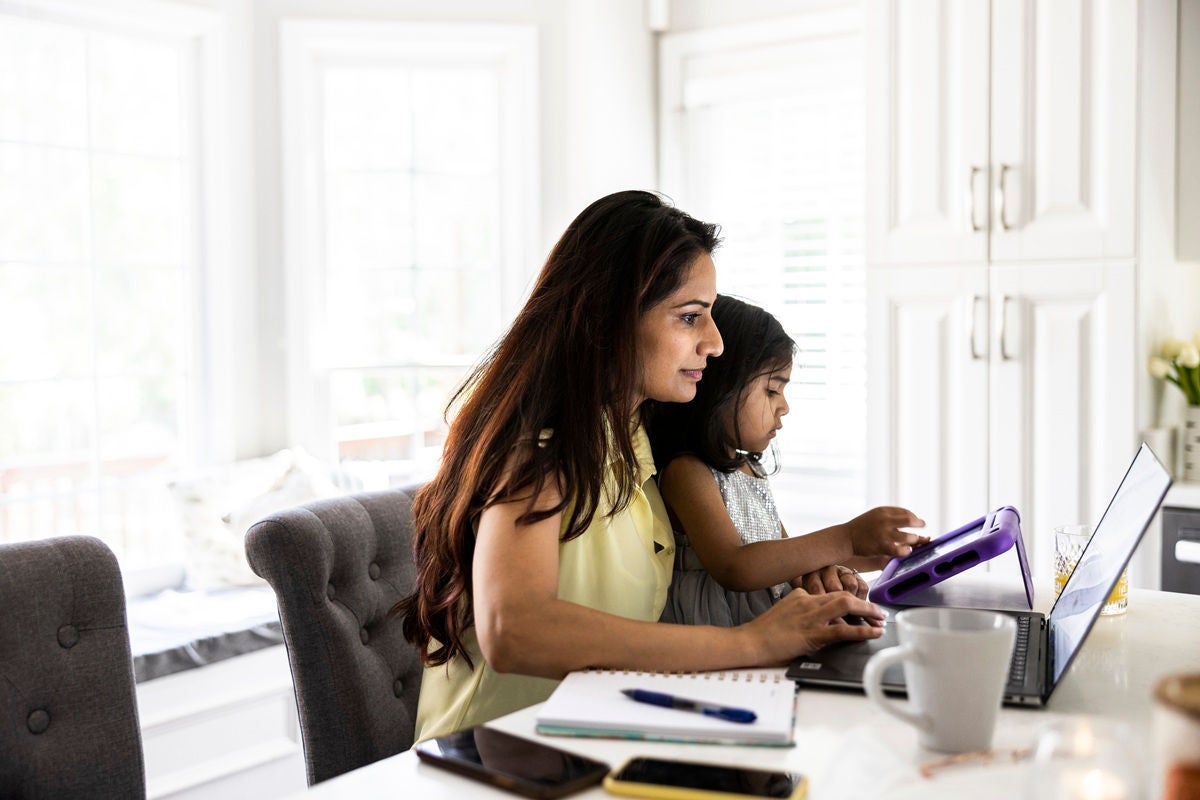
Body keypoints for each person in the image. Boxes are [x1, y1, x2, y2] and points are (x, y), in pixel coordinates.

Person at [395, 190, 887, 743]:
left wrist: (802, 572)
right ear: (606, 319)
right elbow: (515, 630)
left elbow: (719, 564)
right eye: (690, 317)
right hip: (494, 757)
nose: (716, 342)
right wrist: (755, 642)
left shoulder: (633, 441)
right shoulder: (540, 450)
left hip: (592, 735)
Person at [649, 295, 927, 627]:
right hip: (713, 631)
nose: (784, 406)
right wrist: (848, 537)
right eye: (772, 391)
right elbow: (735, 567)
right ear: (718, 386)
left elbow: (782, 554)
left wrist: (877, 554)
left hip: (761, 621)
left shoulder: (750, 468)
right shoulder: (688, 472)